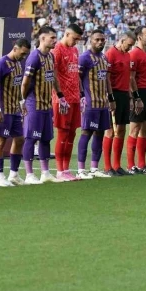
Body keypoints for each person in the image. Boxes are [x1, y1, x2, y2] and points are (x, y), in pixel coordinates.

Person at [21, 25, 64, 184]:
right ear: (42, 38)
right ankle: (29, 174)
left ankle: (45, 172)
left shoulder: (50, 57)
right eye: (52, 37)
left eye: (55, 37)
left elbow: (53, 77)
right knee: (31, 138)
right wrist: (22, 101)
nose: (55, 40)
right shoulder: (34, 57)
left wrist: (60, 95)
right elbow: (25, 83)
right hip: (34, 104)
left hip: (47, 105)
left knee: (46, 139)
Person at [0, 38, 31, 186]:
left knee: (20, 139)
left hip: (15, 109)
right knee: (0, 141)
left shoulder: (18, 64)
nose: (24, 57)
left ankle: (14, 175)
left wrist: (22, 102)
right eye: (22, 53)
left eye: (26, 54)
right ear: (15, 48)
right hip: (4, 109)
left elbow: (17, 86)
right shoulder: (2, 63)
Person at [76, 30, 114, 179]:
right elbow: (77, 78)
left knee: (100, 133)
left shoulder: (104, 58)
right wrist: (81, 97)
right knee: (87, 132)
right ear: (90, 41)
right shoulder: (84, 58)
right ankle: (80, 170)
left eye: (102, 40)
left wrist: (111, 99)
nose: (100, 42)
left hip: (103, 103)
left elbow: (106, 80)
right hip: (90, 103)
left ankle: (94, 168)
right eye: (97, 40)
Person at [102, 31, 137, 176]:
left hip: (123, 95)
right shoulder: (110, 54)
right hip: (113, 94)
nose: (129, 48)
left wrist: (130, 97)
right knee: (110, 130)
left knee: (121, 129)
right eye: (128, 45)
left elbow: (128, 78)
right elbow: (107, 78)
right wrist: (110, 98)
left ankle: (117, 165)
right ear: (122, 40)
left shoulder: (127, 55)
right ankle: (107, 166)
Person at [51, 24, 83, 181]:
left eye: (78, 39)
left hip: (75, 97)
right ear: (67, 34)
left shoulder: (75, 50)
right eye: (75, 38)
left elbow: (76, 74)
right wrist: (60, 96)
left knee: (72, 133)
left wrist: (81, 94)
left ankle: (67, 169)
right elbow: (54, 75)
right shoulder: (56, 50)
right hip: (62, 99)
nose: (76, 42)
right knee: (63, 133)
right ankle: (59, 170)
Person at [127, 26, 146, 174]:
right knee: (134, 129)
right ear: (139, 37)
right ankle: (131, 165)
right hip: (139, 93)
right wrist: (136, 97)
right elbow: (131, 77)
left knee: (145, 129)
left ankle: (142, 164)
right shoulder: (134, 54)